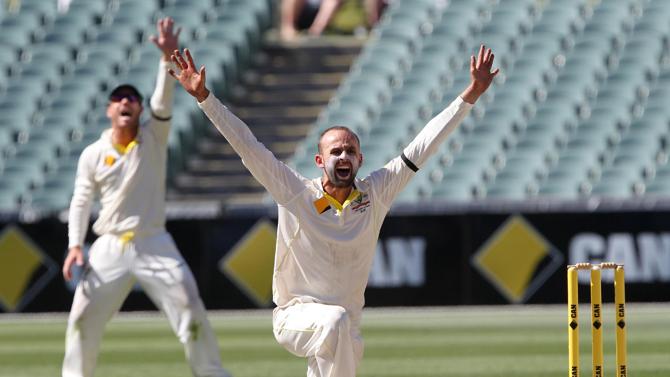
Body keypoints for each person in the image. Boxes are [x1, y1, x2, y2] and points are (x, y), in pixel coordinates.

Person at [169, 44, 498, 376]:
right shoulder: (295, 192)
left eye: (350, 150)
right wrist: (205, 99)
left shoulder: (376, 193)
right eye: (335, 151)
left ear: (360, 160)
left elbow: (424, 145)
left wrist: (470, 94)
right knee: (335, 322)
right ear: (320, 161)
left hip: (346, 326)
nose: (343, 156)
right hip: (295, 317)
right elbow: (248, 147)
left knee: (340, 333)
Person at [61, 18, 231, 377]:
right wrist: (76, 245)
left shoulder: (154, 135)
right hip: (108, 245)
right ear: (108, 110)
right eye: (118, 99)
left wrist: (166, 59)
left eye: (132, 99)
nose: (126, 102)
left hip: (154, 241)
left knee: (189, 304)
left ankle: (211, 372)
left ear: (139, 109)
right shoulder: (93, 153)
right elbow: (80, 201)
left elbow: (163, 99)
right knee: (82, 317)